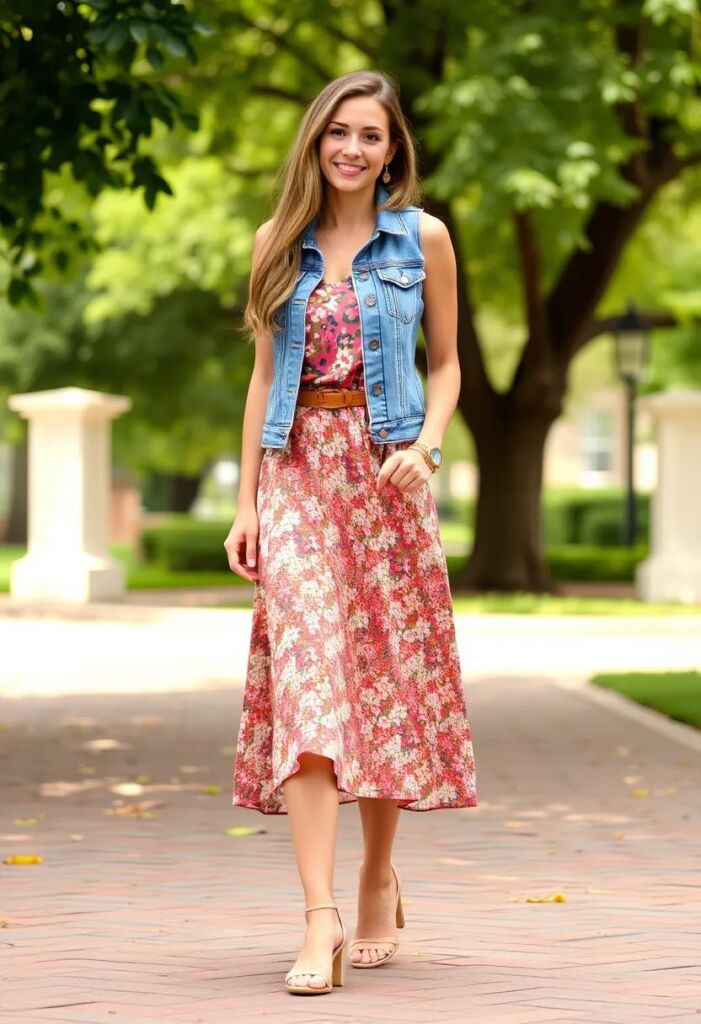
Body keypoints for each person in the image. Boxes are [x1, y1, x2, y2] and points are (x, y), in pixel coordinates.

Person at [224, 69, 478, 997]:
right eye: (337, 131)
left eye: (369, 135)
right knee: (309, 677)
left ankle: (377, 875)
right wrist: (248, 500)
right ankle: (318, 915)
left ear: (392, 149)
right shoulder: (275, 242)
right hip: (295, 474)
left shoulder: (424, 239)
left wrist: (429, 447)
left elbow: (445, 364)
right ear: (315, 141)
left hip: (383, 476)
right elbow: (262, 380)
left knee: (375, 677)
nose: (351, 148)